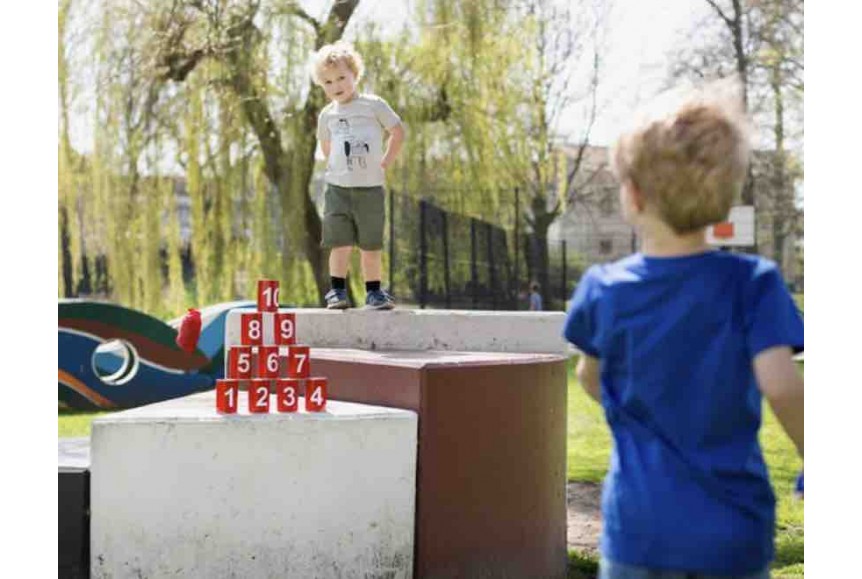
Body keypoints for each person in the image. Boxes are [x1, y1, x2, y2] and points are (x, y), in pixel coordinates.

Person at [562, 80, 803, 579]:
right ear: (725, 196)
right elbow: (780, 384)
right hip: (733, 532)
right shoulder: (753, 282)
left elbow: (589, 376)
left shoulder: (603, 289)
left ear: (632, 195)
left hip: (639, 531)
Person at [312, 41, 405, 310]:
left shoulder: (372, 105)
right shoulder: (326, 115)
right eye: (328, 82)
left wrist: (386, 160)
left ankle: (374, 292)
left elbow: (398, 131)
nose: (336, 85)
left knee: (370, 245)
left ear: (355, 74)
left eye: (342, 77)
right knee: (339, 244)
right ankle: (337, 291)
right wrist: (337, 167)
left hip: (370, 189)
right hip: (338, 190)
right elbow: (327, 147)